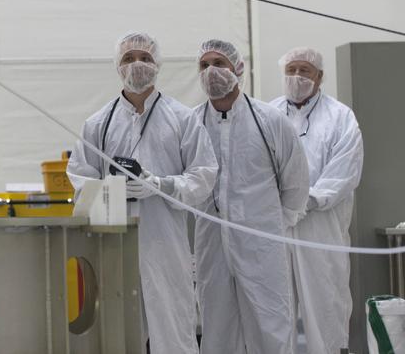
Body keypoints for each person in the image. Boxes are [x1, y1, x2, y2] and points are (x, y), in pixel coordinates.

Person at [66, 33, 217, 354]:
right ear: (117, 67)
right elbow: (80, 176)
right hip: (115, 242)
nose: (137, 65)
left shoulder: (182, 118)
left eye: (145, 58)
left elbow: (203, 176)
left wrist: (161, 185)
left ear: (157, 65)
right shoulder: (98, 123)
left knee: (174, 329)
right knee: (117, 330)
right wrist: (111, 192)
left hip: (166, 243)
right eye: (128, 59)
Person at [194, 38, 309, 354]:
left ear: (238, 69)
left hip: (262, 246)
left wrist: (272, 226)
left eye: (219, 64)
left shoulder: (269, 120)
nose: (211, 72)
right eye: (204, 65)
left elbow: (296, 183)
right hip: (211, 245)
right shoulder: (191, 124)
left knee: (270, 327)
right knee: (216, 330)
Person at [269, 47, 363, 354]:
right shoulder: (267, 115)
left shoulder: (340, 116)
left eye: (305, 71)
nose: (296, 77)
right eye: (291, 70)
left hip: (321, 229)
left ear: (320, 77)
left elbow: (345, 170)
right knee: (275, 307)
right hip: (276, 227)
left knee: (326, 306)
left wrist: (308, 199)